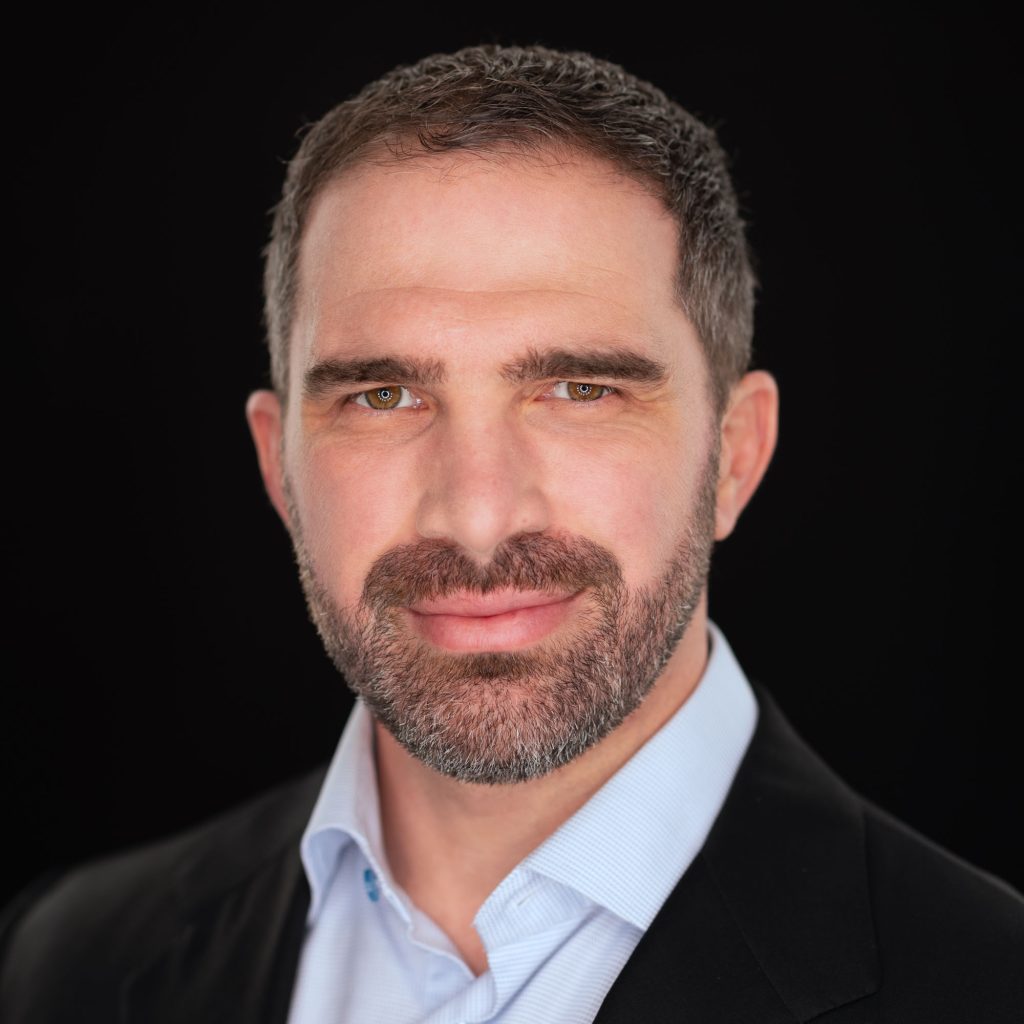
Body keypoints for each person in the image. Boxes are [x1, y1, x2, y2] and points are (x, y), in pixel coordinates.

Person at [2, 43, 1021, 1024]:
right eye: (383, 394)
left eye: (579, 389)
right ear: (279, 466)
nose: (478, 514)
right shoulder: (66, 959)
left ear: (735, 454)